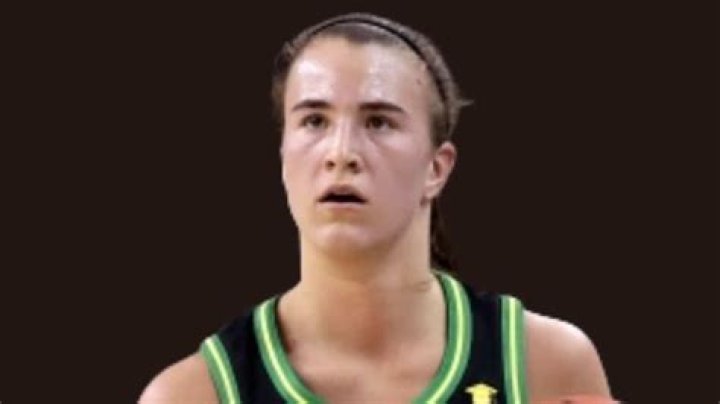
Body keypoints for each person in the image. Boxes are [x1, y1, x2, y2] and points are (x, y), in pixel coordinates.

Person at [139, 12, 613, 403]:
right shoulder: (192, 394)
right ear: (283, 157)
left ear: (436, 168)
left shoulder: (544, 366)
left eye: (379, 122)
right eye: (314, 121)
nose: (341, 152)